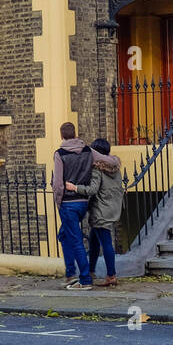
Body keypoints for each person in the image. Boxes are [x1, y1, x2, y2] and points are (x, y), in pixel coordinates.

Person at [66, 138, 124, 287]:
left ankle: (111, 276)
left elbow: (92, 190)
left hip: (101, 211)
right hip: (112, 209)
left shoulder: (98, 169)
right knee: (94, 241)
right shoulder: (115, 168)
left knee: (106, 243)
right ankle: (91, 271)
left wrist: (75, 188)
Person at [52, 121, 95, 290]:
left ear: (62, 135)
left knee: (76, 240)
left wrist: (58, 201)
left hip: (68, 203)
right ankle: (70, 273)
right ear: (75, 133)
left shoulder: (60, 153)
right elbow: (105, 160)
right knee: (64, 235)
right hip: (83, 201)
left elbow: (58, 183)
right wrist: (114, 161)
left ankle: (84, 280)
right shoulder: (87, 150)